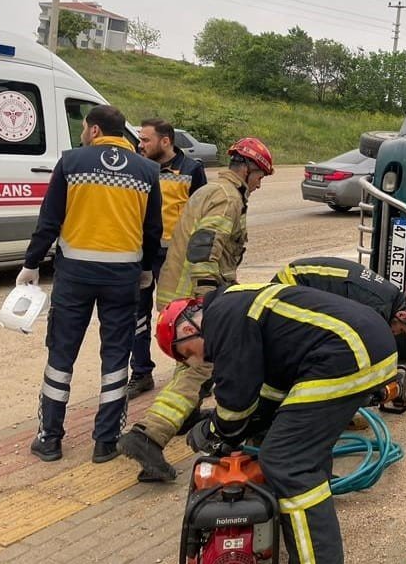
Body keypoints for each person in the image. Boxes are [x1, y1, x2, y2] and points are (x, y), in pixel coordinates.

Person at [157, 283, 403, 564]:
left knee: (287, 462)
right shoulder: (235, 305)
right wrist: (248, 426)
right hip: (363, 344)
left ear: (186, 330)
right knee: (304, 451)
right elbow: (270, 392)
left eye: (186, 354)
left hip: (348, 351)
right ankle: (307, 530)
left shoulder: (221, 319)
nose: (196, 359)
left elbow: (236, 401)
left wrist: (213, 429)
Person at [118, 137, 273, 481]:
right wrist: (208, 306)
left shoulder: (213, 191)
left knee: (191, 367)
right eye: (260, 176)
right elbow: (205, 247)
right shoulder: (227, 198)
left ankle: (182, 416)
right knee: (202, 367)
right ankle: (148, 435)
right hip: (193, 300)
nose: (260, 184)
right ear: (247, 170)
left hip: (180, 296)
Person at [18, 105, 162, 463]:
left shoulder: (71, 162)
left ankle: (50, 439)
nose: (83, 133)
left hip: (75, 277)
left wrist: (31, 263)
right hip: (123, 278)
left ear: (95, 130)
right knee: (116, 357)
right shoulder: (147, 170)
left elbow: (49, 220)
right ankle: (106, 442)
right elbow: (152, 230)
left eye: (84, 128)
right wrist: (146, 269)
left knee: (61, 355)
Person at [127, 118, 207, 399]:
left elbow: (202, 214)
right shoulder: (138, 168)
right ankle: (141, 372)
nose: (140, 145)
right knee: (138, 314)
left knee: (182, 318)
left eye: (145, 140)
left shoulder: (192, 170)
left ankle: (192, 374)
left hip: (175, 259)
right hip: (142, 253)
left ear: (165, 141)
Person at [273, 256, 406, 360]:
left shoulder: (388, 296)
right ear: (402, 315)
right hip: (290, 285)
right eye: (401, 330)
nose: (395, 333)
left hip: (296, 279)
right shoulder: (377, 309)